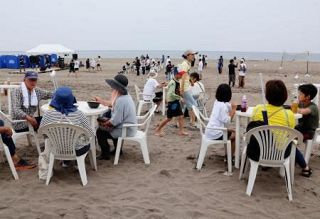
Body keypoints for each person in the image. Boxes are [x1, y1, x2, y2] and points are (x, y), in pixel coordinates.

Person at [248, 80, 312, 177]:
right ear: (284, 96)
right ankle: (304, 166)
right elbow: (289, 133)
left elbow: (252, 125)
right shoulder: (289, 115)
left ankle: (264, 165)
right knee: (289, 141)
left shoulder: (258, 109)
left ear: (267, 95)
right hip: (281, 153)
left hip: (258, 151)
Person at [40, 87, 95, 158]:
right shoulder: (79, 114)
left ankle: (64, 162)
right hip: (77, 150)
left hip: (55, 148)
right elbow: (90, 133)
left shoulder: (48, 114)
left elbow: (42, 131)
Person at [94, 75, 137, 160]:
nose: (112, 88)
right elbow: (112, 104)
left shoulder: (121, 100)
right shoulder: (125, 96)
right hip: (130, 126)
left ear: (117, 87)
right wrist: (101, 101)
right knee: (108, 125)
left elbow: (115, 121)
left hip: (126, 129)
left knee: (100, 132)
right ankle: (118, 150)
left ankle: (105, 154)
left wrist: (104, 123)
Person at [154, 70, 188, 137]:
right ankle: (158, 130)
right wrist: (180, 97)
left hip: (175, 101)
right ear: (177, 74)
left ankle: (181, 131)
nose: (182, 77)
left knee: (180, 116)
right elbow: (171, 93)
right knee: (169, 118)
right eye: (181, 76)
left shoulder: (175, 81)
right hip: (173, 103)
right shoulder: (173, 82)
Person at [205, 84, 236, 155]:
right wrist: (233, 110)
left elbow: (228, 105)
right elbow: (227, 121)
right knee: (235, 136)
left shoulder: (217, 102)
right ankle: (229, 157)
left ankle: (227, 155)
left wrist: (234, 107)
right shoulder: (223, 107)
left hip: (210, 130)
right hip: (215, 133)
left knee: (231, 131)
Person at [180, 50, 198, 127]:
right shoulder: (184, 64)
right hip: (184, 88)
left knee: (189, 105)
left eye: (194, 54)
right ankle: (193, 123)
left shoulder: (188, 64)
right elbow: (183, 76)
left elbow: (187, 74)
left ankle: (192, 122)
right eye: (192, 54)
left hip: (186, 87)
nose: (194, 56)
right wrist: (181, 89)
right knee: (194, 104)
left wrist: (191, 81)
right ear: (187, 55)